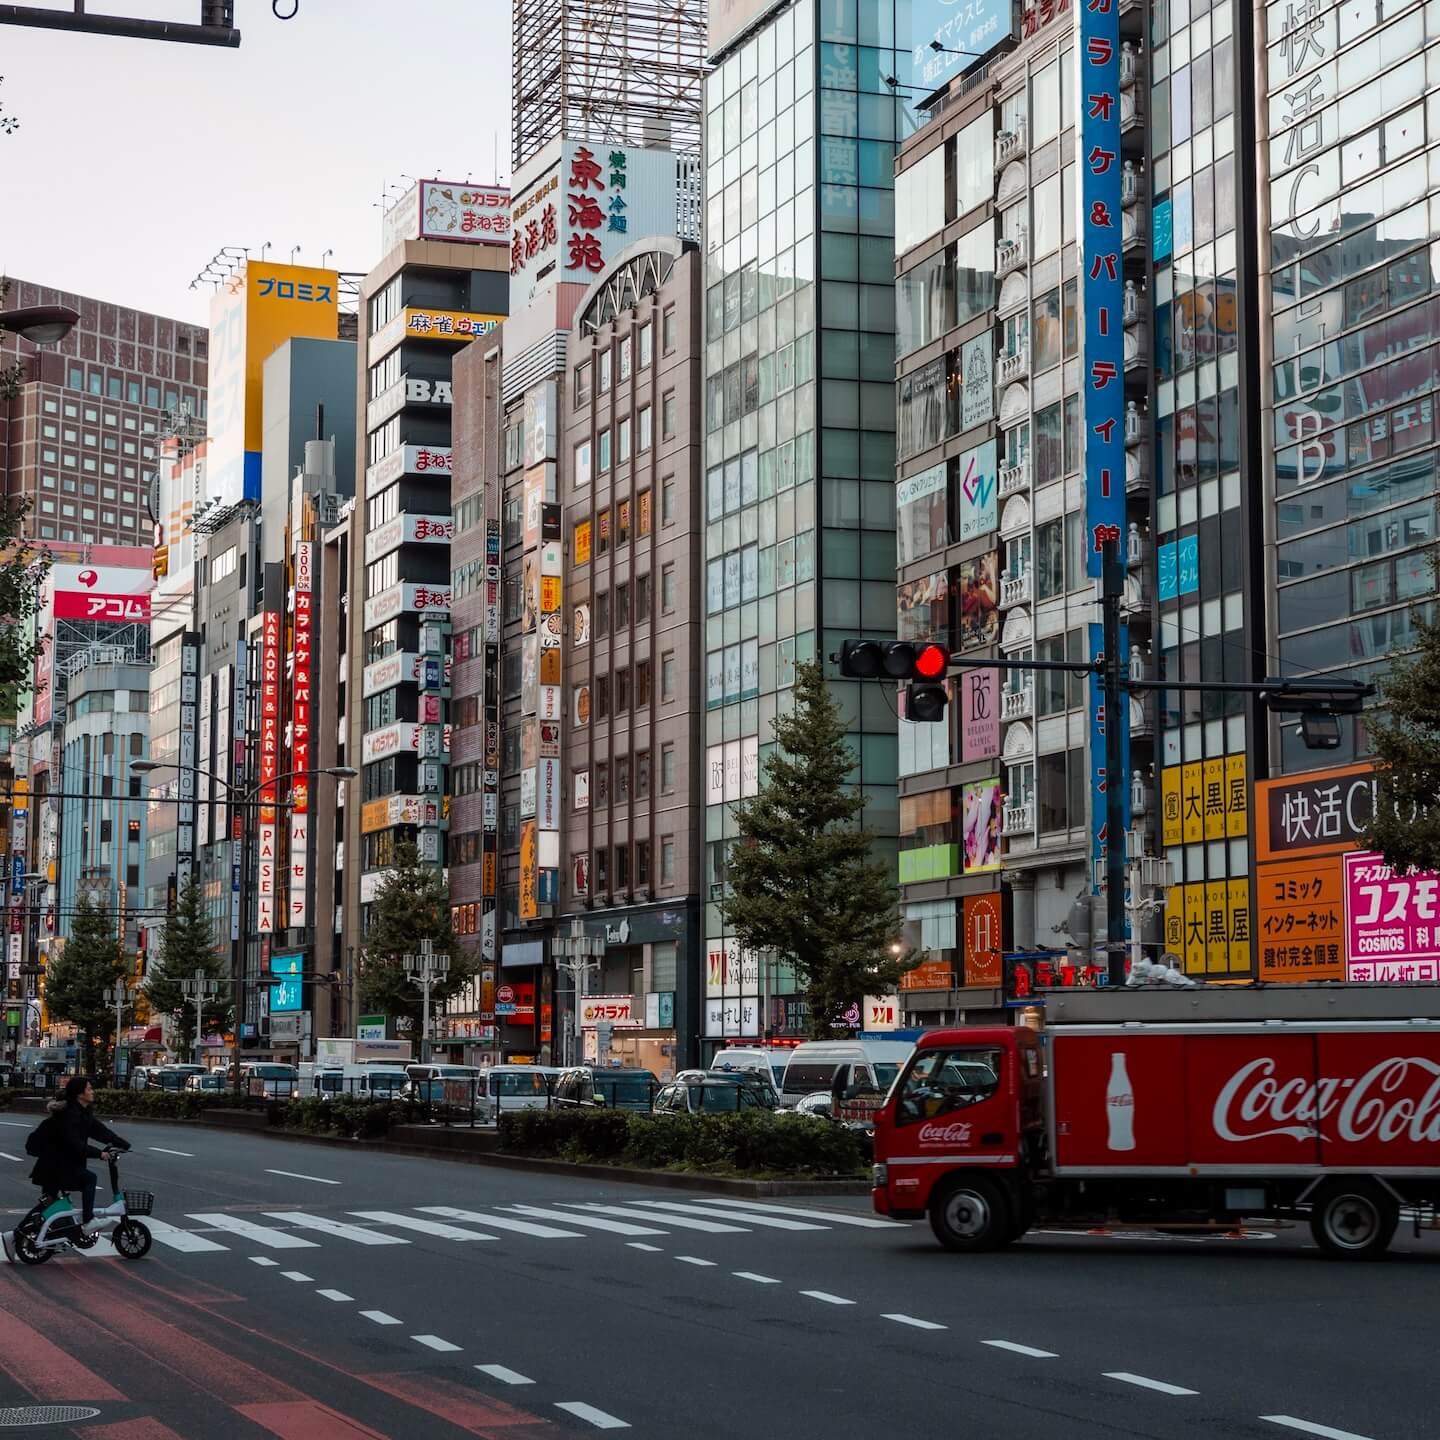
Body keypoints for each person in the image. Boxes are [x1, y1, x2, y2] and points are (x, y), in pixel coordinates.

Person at [8, 1076, 131, 1257]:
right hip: (57, 1167)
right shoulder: (70, 1116)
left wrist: (123, 1144)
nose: (92, 1092)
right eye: (89, 1089)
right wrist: (100, 1153)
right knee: (90, 1178)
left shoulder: (81, 1113)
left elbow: (100, 1131)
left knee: (48, 1203)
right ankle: (88, 1221)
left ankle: (14, 1237)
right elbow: (74, 1144)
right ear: (80, 1094)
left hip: (54, 1167)